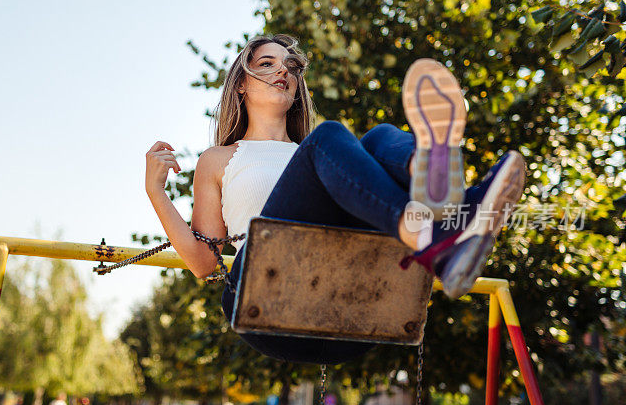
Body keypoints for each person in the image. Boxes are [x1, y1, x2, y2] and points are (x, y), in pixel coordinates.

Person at [145, 34, 525, 365]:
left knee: (376, 138)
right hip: (266, 294)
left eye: (292, 66)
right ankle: (437, 235)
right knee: (329, 139)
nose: (284, 71)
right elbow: (202, 263)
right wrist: (157, 193)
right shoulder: (220, 159)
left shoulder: (325, 159)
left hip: (347, 299)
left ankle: (453, 207)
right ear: (241, 84)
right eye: (267, 63)